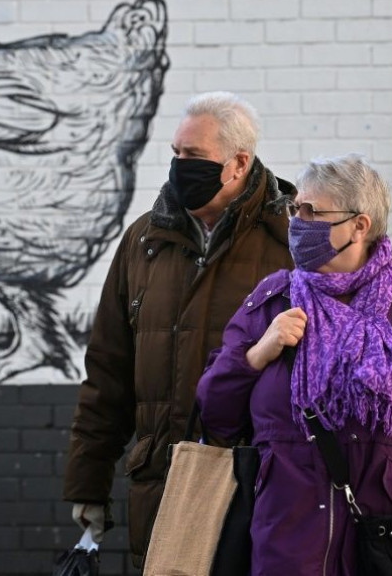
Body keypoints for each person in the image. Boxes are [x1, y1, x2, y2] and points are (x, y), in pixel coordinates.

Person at [197, 154, 392, 576]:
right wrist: (256, 354)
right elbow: (217, 416)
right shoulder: (272, 302)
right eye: (295, 210)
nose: (298, 222)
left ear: (360, 225)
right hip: (287, 545)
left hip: (387, 543)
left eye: (312, 212)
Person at [63, 91, 296, 566]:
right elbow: (108, 371)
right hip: (162, 485)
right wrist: (88, 483)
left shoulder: (288, 245)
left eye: (193, 156)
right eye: (176, 154)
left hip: (254, 488)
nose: (179, 167)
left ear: (238, 164)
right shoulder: (144, 241)